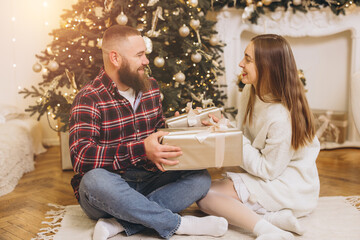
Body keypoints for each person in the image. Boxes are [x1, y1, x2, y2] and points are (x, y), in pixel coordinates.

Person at [69, 25, 228, 240]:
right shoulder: (89, 98)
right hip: (112, 188)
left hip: (148, 178)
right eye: (139, 55)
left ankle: (121, 222)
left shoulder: (150, 87)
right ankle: (177, 224)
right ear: (115, 58)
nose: (146, 61)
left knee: (200, 177)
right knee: (93, 181)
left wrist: (190, 125)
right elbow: (81, 157)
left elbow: (157, 131)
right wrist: (142, 149)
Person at [197, 34, 320, 240]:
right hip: (270, 174)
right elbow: (242, 134)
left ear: (267, 67)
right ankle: (273, 218)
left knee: (203, 196)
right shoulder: (250, 91)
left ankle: (267, 229)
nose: (240, 64)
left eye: (248, 59)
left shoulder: (282, 117)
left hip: (288, 185)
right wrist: (221, 124)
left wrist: (230, 134)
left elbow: (267, 170)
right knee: (200, 193)